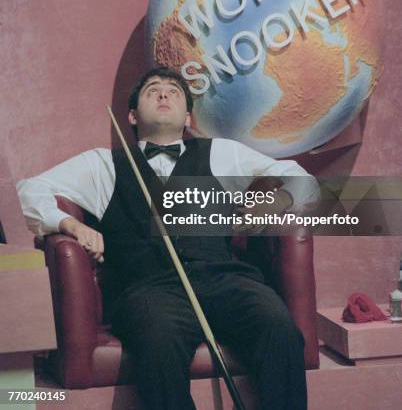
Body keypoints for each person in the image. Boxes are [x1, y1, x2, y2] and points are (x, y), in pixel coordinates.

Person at [18, 66, 320, 410]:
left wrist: (274, 202)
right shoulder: (102, 165)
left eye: (174, 91)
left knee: (279, 328)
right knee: (158, 344)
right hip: (149, 289)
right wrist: (70, 225)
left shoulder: (221, 154)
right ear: (132, 116)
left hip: (225, 279)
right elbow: (32, 189)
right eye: (153, 90)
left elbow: (298, 177)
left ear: (188, 116)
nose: (163, 94)